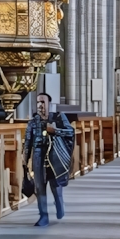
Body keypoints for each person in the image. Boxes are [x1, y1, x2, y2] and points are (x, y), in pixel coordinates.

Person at [23, 93, 73, 226]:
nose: (40, 105)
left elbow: (71, 132)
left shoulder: (59, 117)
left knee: (55, 186)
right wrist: (25, 160)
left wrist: (55, 131)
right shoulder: (33, 122)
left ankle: (59, 202)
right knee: (40, 187)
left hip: (54, 155)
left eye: (43, 102)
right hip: (38, 156)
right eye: (38, 102)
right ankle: (43, 216)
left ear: (49, 103)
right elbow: (27, 143)